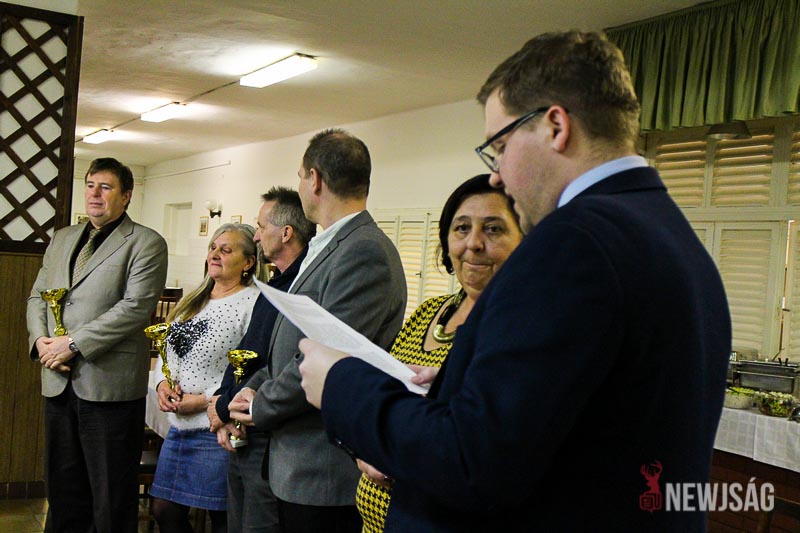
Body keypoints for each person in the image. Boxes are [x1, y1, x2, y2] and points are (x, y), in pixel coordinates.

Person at [298, 31, 731, 531]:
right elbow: (591, 414)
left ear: (556, 127)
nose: (497, 176)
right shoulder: (674, 236)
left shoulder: (572, 242)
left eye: (500, 147)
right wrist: (462, 386)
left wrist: (342, 384)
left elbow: (474, 463)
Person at [228, 129, 407, 533]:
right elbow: (287, 342)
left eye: (299, 176)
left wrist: (259, 405)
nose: (299, 186)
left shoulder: (364, 250)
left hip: (323, 467)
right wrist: (251, 386)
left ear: (315, 179)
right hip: (294, 460)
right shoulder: (325, 245)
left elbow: (329, 355)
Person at [355, 174, 523, 533]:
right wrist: (366, 451)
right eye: (462, 228)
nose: (473, 243)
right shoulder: (428, 312)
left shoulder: (517, 332)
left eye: (493, 229)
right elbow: (384, 396)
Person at [26, 157, 168, 532]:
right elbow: (37, 296)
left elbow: (135, 308)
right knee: (63, 489)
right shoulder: (63, 238)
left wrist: (72, 344)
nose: (95, 194)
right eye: (90, 185)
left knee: (110, 496)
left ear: (126, 196)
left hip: (108, 386)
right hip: (58, 380)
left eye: (105, 187)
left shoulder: (146, 242)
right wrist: (41, 342)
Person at [207, 187, 316, 533]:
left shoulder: (301, 286)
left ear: (286, 233)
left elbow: (278, 363)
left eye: (261, 226)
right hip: (240, 423)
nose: (256, 236)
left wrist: (226, 407)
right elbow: (247, 350)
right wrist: (223, 403)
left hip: (266, 430)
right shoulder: (277, 283)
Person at [149, 223, 259, 533]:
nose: (215, 254)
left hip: (216, 424)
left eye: (226, 250)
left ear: (248, 262)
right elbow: (167, 351)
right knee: (164, 510)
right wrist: (161, 383)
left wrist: (203, 400)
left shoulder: (253, 303)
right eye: (213, 247)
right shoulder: (193, 299)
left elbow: (252, 367)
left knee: (221, 516)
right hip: (179, 428)